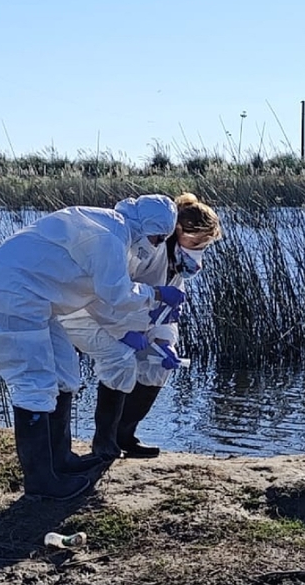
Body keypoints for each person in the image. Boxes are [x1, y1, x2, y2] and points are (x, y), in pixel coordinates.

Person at [0, 197, 187, 500]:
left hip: (38, 300)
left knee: (65, 374)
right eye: (157, 238)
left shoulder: (114, 232)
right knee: (34, 384)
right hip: (12, 295)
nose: (156, 246)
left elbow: (93, 293)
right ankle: (40, 482)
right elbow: (116, 294)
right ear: (149, 228)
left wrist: (130, 328)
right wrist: (156, 295)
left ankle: (61, 460)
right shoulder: (108, 236)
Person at [60, 193, 222, 460]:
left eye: (204, 245)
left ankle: (125, 434)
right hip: (95, 314)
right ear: (177, 231)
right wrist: (123, 332)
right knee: (119, 362)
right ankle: (104, 442)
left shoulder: (175, 262)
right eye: (195, 243)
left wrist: (165, 341)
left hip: (133, 322)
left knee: (158, 367)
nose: (198, 251)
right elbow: (110, 293)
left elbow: (166, 313)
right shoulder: (144, 249)